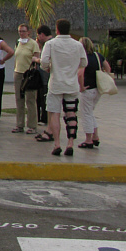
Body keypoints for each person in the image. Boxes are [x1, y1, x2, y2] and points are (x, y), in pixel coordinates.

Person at [37, 19, 88, 156]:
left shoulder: (51, 44)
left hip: (56, 83)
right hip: (71, 84)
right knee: (71, 113)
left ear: (57, 29)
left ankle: (57, 143)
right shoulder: (77, 45)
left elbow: (44, 62)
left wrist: (48, 68)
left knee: (54, 113)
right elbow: (84, 61)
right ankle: (70, 143)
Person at [78, 37, 111, 148]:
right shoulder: (98, 56)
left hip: (88, 89)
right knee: (90, 112)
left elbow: (80, 74)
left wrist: (81, 86)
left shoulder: (83, 58)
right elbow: (108, 68)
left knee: (86, 114)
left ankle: (88, 140)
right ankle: (95, 136)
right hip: (98, 88)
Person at [12, 23, 41, 135]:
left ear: (28, 32)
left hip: (28, 74)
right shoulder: (18, 43)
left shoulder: (33, 44)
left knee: (30, 99)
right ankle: (19, 124)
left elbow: (36, 58)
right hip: (18, 73)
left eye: (23, 31)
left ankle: (32, 125)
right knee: (19, 99)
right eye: (20, 31)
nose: (21, 33)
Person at [33, 25, 53, 124]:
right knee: (40, 97)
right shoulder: (46, 44)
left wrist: (36, 59)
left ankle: (45, 118)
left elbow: (45, 61)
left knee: (44, 97)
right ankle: (41, 117)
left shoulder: (49, 44)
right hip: (43, 76)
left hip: (46, 76)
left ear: (42, 34)